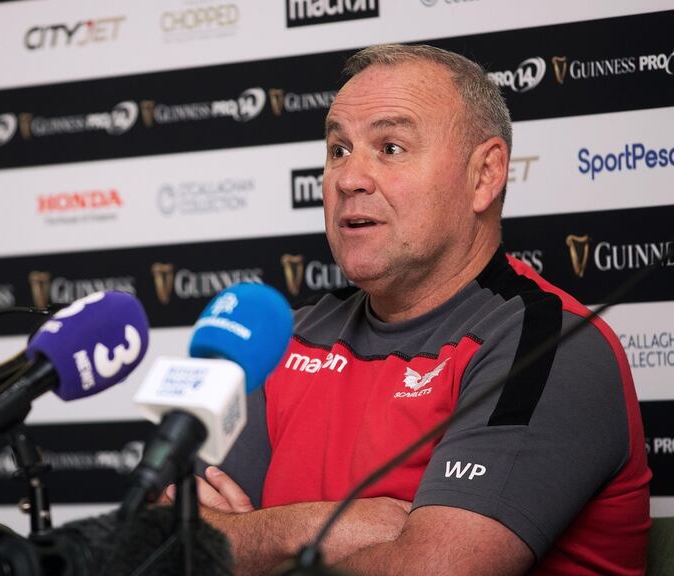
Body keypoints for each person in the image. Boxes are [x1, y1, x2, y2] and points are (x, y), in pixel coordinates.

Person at [169, 44, 652, 575]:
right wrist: (328, 530)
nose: (349, 178)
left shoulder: (548, 344)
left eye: (391, 148)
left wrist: (244, 542)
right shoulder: (288, 336)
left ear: (484, 175)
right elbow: (159, 543)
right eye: (337, 150)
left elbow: (433, 570)